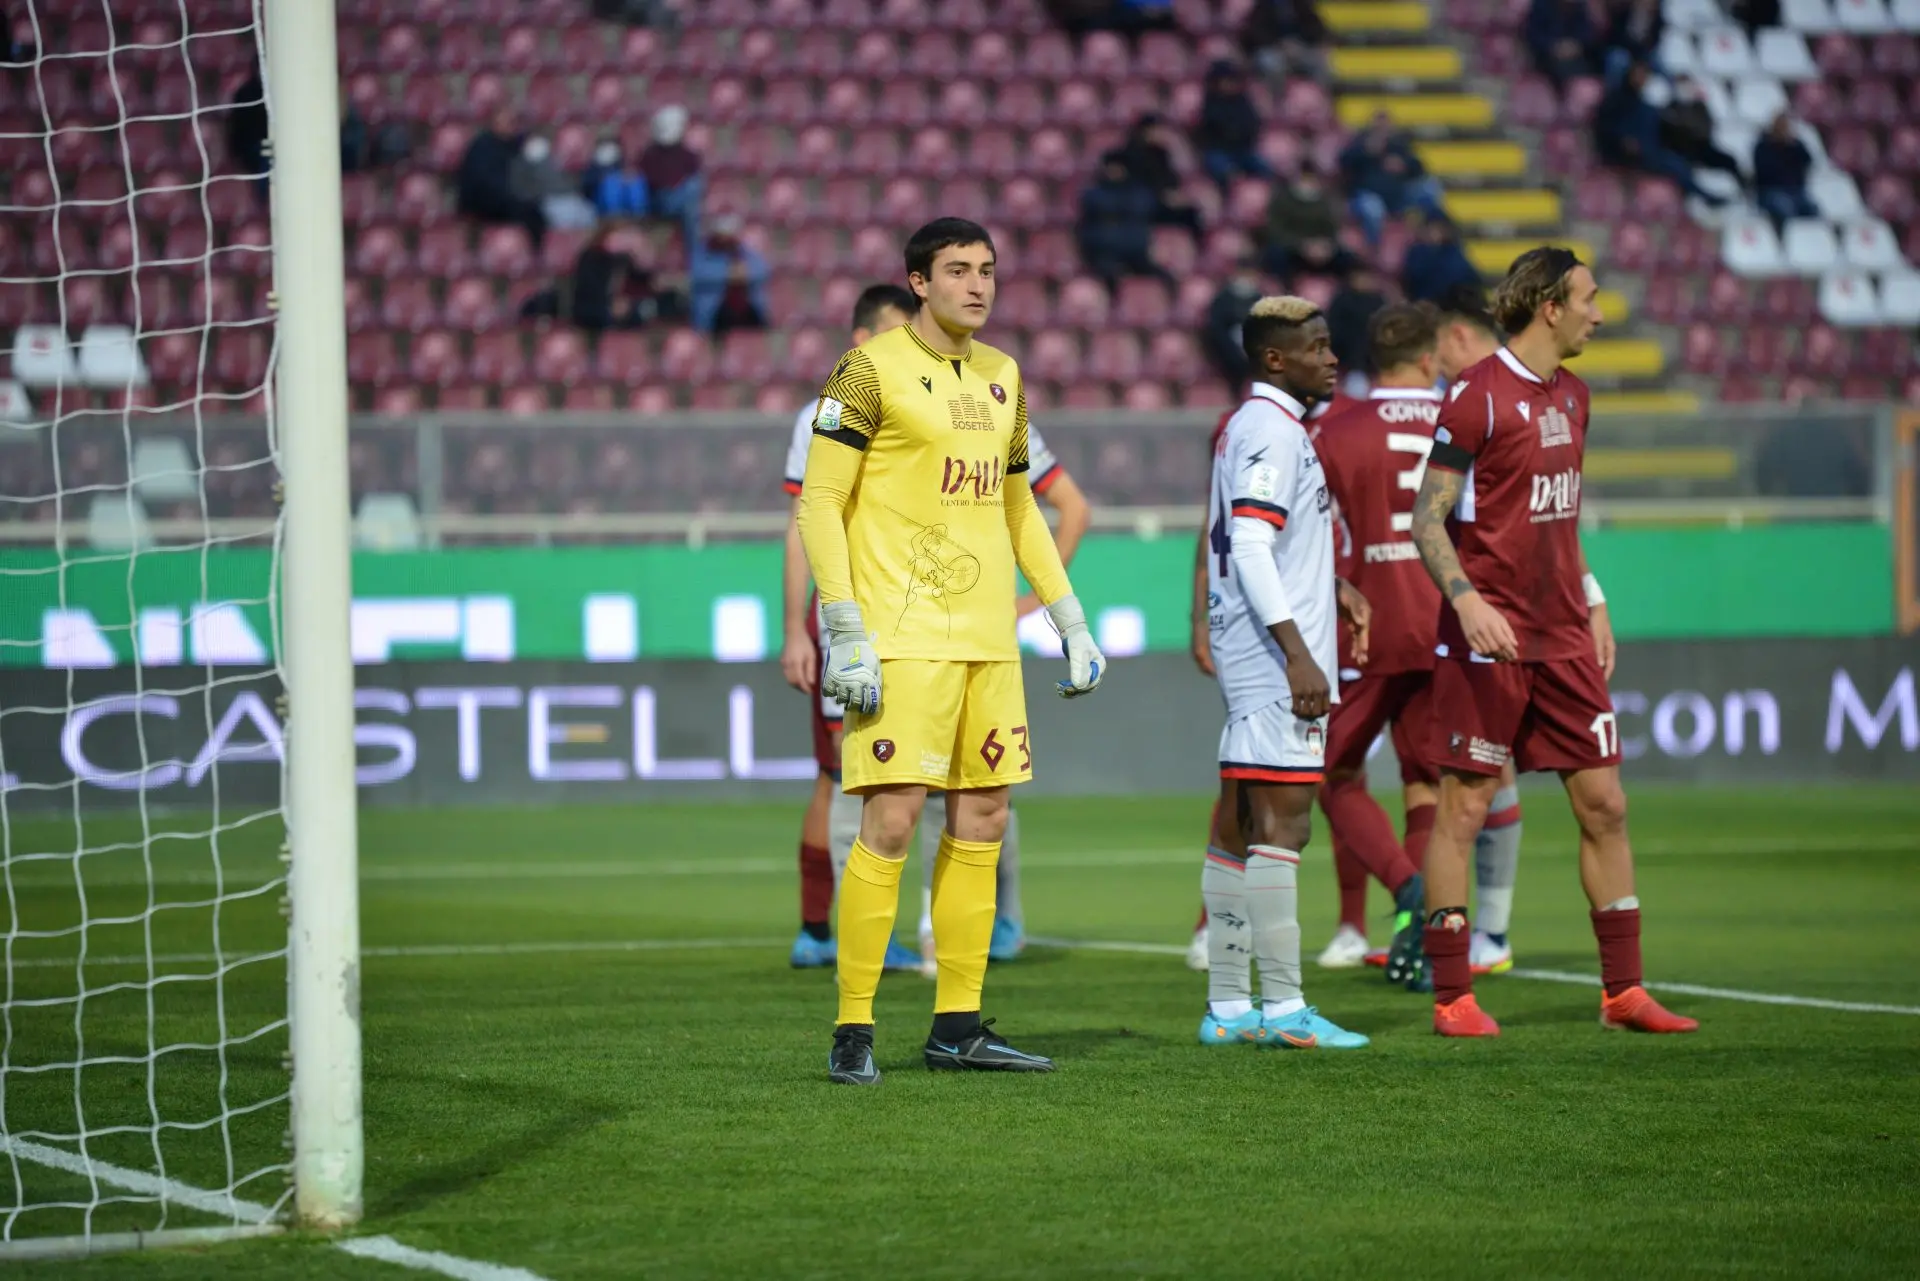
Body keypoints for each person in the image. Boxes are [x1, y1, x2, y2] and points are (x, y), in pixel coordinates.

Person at [796, 218, 1106, 1084]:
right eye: (959, 270)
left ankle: (958, 1025)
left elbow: (1018, 508)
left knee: (985, 818)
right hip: (899, 639)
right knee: (893, 819)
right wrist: (843, 626)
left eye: (988, 270)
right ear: (918, 282)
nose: (978, 285)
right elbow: (820, 502)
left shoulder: (1004, 375)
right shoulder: (866, 371)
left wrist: (1068, 617)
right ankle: (853, 1028)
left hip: (987, 641)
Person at [1409, 246, 1697, 1037]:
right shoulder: (1475, 396)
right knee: (1463, 808)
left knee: (1605, 804)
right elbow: (1426, 518)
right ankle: (1452, 996)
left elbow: (1557, 517)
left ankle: (1623, 992)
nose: (1599, 315)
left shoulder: (1575, 394)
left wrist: (1593, 598)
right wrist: (1466, 601)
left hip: (1565, 635)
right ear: (1550, 306)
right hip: (1489, 637)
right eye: (1589, 299)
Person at [1309, 303, 1527, 982]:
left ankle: (1409, 890)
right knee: (1427, 779)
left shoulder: (1334, 428)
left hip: (1366, 623)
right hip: (1448, 618)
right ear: (1429, 357)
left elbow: (1311, 528)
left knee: (1329, 772)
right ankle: (1432, 932)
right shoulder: (1461, 416)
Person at [1196, 295, 1371, 1051]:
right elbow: (1250, 541)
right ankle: (1287, 1009)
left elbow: (1265, 542)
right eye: (1318, 347)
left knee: (1240, 825)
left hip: (1252, 649)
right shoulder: (1272, 429)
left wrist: (1330, 583)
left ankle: (1230, 1007)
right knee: (1285, 826)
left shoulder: (1255, 425)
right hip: (1273, 660)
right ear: (1275, 358)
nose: (1332, 358)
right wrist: (1299, 651)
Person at [781, 285, 928, 972]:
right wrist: (796, 626)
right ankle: (846, 932)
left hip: (906, 610)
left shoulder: (918, 405)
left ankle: (823, 929)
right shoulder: (826, 413)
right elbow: (801, 523)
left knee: (859, 772)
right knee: (847, 771)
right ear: (862, 341)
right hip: (846, 615)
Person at [915, 426, 1091, 970]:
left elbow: (1072, 507)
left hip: (980, 630)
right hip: (920, 625)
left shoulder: (1002, 415)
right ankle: (948, 921)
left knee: (986, 782)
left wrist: (1036, 598)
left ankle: (986, 918)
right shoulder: (901, 406)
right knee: (933, 784)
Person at [1594, 63, 1726, 208]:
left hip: (1649, 149)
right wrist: (1623, 141)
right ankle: (1702, 197)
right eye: (1638, 75)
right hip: (1622, 152)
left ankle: (1697, 198)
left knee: (1681, 160)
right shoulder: (1617, 100)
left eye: (1644, 76)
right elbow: (1606, 127)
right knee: (1675, 166)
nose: (1641, 79)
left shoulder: (1645, 102)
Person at [1339, 112, 1445, 246]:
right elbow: (1343, 161)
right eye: (1379, 125)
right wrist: (1365, 151)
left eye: (1386, 125)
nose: (1383, 129)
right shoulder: (1360, 142)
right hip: (1368, 196)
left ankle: (1428, 235)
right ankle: (1374, 247)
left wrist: (1404, 165)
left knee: (1429, 188)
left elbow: (1419, 167)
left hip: (1399, 196)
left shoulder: (1398, 145)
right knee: (1373, 211)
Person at [1077, 149, 1175, 294]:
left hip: (1135, 253)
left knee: (1163, 276)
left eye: (1117, 167)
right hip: (1105, 252)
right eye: (1110, 167)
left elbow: (1146, 208)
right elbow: (1094, 219)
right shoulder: (1094, 194)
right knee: (1109, 274)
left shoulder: (1138, 192)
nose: (1114, 171)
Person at [458, 108, 547, 248]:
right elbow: (483, 183)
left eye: (513, 122)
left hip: (507, 199)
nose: (511, 125)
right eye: (507, 121)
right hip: (485, 202)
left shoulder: (515, 145)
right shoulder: (482, 146)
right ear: (494, 123)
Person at [1259, 164, 1357, 284]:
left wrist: (1325, 246)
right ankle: (1282, 287)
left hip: (1319, 248)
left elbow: (1331, 229)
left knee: (1345, 257)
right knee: (1275, 254)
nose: (1307, 183)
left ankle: (1341, 288)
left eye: (1311, 178)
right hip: (1292, 247)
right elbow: (1275, 230)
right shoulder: (1281, 200)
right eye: (1304, 178)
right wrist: (1301, 246)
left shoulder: (1325, 202)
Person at [1119, 113, 1204, 245]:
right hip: (1142, 202)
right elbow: (1134, 181)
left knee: (1189, 211)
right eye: (1155, 129)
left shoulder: (1162, 153)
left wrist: (1174, 194)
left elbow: (1171, 177)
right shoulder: (1131, 155)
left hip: (1162, 199)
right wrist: (1161, 195)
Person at [1192, 60, 1272, 191]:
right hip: (1219, 150)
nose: (1230, 84)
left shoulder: (1243, 101)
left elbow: (1252, 124)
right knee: (1222, 170)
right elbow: (1212, 128)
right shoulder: (1210, 103)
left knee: (1264, 169)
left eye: (1233, 80)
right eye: (1226, 80)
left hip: (1243, 149)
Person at [688, 213, 771, 335]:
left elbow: (762, 270)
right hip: (715, 312)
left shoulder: (741, 250)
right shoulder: (702, 251)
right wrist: (727, 274)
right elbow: (697, 273)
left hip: (747, 309)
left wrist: (745, 273)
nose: (726, 237)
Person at [1659, 79, 1746, 188]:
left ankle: (1744, 189)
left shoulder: (1699, 107)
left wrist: (1686, 127)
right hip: (1679, 151)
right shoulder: (1670, 108)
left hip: (1701, 148)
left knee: (1729, 161)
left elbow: (1705, 130)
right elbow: (1670, 132)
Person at [639, 104, 704, 247]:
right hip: (660, 202)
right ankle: (696, 254)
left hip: (680, 203)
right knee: (692, 194)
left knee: (690, 206)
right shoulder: (650, 155)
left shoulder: (687, 154)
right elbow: (653, 184)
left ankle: (695, 253)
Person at [1201, 256, 1265, 395]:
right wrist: (1234, 353)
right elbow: (1216, 331)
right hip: (1227, 360)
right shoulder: (1222, 300)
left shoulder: (1260, 299)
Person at [1240, 0, 1329, 84]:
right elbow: (1258, 31)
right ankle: (1277, 95)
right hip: (1273, 48)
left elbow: (1314, 27)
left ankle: (1316, 93)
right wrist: (1280, 44)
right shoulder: (1263, 5)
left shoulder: (1300, 3)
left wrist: (1299, 43)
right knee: (1269, 62)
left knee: (1319, 62)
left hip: (1299, 47)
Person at [1753, 112, 1817, 227]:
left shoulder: (1794, 146)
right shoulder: (1763, 147)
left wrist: (1794, 144)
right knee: (1786, 207)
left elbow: (1808, 160)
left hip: (1795, 191)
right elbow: (1765, 173)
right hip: (1771, 191)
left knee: (1812, 209)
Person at [1324, 263, 1386, 377]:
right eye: (1361, 277)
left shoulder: (1379, 301)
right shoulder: (1342, 300)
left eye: (1368, 278)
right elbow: (1334, 329)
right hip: (1346, 359)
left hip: (1374, 361)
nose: (1364, 281)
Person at [1400, 216, 1479, 305]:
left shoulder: (1454, 253)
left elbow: (1468, 278)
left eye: (1440, 229)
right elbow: (1411, 277)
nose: (1436, 233)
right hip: (1420, 303)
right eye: (1433, 229)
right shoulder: (1416, 252)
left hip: (1449, 304)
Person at [1526, 0, 1597, 94]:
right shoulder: (1541, 5)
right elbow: (1533, 35)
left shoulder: (1580, 7)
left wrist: (1574, 46)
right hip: (1546, 57)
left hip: (1575, 57)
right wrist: (1554, 47)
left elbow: (1587, 34)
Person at [1602, 0, 1664, 85]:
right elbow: (1616, 39)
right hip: (1626, 53)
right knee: (1617, 59)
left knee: (1660, 61)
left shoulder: (1658, 20)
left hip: (1646, 57)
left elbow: (1654, 44)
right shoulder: (1624, 13)